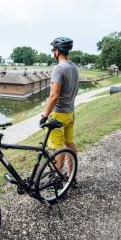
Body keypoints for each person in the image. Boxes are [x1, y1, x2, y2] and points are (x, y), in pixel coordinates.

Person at [40, 36, 79, 188]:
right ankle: (71, 176)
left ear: (57, 51)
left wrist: (44, 115)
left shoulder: (58, 69)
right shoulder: (75, 67)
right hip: (70, 113)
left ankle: (57, 180)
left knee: (58, 149)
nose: (53, 53)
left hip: (59, 114)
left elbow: (54, 95)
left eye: (53, 50)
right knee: (69, 144)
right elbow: (75, 90)